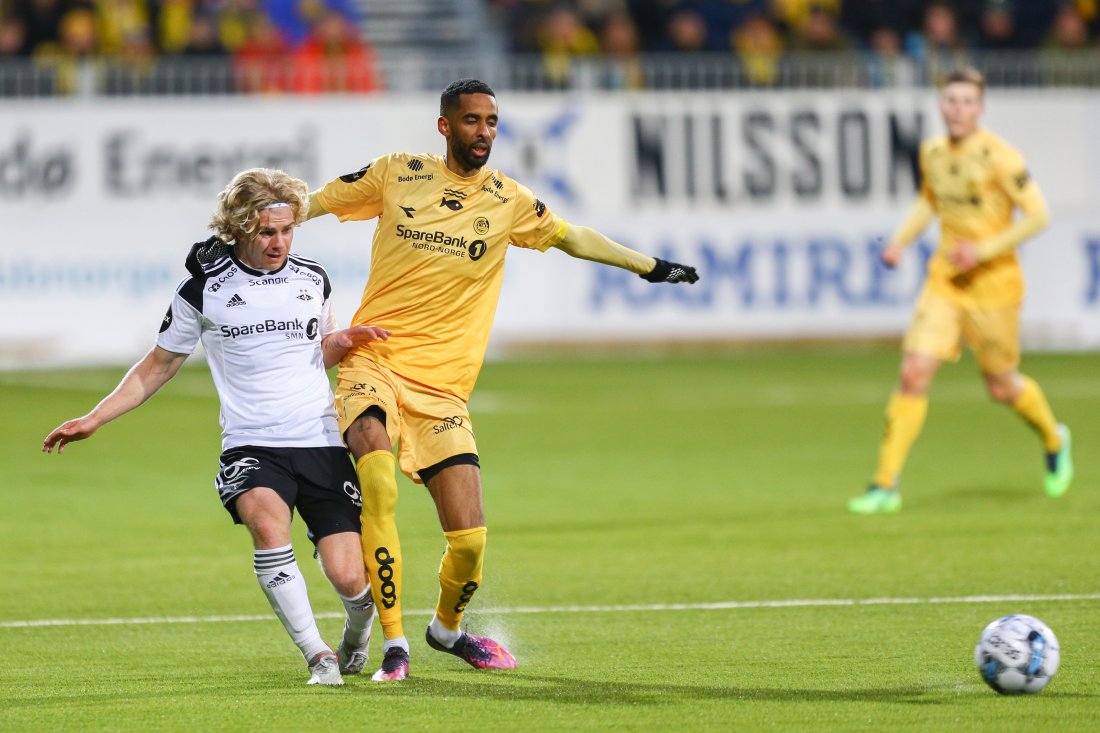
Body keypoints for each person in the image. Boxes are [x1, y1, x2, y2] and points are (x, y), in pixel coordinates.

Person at [304, 78, 699, 681]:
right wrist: (261, 220)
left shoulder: (509, 200)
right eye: (471, 121)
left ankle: (446, 631)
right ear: (445, 126)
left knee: (469, 544)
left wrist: (647, 265)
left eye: (491, 121)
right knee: (378, 484)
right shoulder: (396, 173)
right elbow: (317, 203)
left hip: (442, 391)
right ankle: (394, 645)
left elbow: (572, 236)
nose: (484, 131)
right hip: (374, 363)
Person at [42, 168, 390, 685]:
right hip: (251, 443)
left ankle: (357, 630)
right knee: (269, 529)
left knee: (351, 579)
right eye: (267, 231)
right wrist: (95, 417)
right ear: (240, 227)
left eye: (287, 230)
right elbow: (156, 366)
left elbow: (316, 351)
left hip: (319, 438)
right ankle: (318, 656)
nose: (279, 242)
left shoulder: (312, 278)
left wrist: (348, 340)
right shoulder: (204, 290)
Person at [848, 67, 1073, 514]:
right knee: (913, 372)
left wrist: (985, 249)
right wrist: (899, 241)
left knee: (1002, 387)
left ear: (981, 108)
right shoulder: (931, 152)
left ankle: (1054, 437)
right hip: (945, 282)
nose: (958, 109)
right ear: (941, 105)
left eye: (967, 102)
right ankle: (884, 485)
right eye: (951, 100)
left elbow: (1038, 215)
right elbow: (929, 200)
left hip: (994, 287)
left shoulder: (1000, 157)